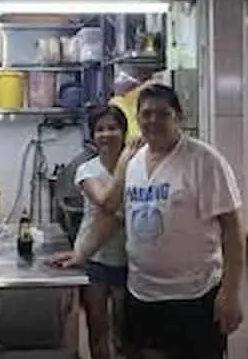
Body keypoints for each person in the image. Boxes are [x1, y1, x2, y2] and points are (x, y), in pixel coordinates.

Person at [61, 84, 245, 359]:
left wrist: (230, 293)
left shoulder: (204, 161)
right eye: (146, 114)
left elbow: (232, 229)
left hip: (194, 296)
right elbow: (115, 217)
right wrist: (80, 253)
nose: (153, 121)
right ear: (137, 119)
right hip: (142, 295)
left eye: (163, 113)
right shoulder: (133, 164)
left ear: (178, 117)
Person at [50, 105, 129, 359]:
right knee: (97, 329)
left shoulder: (141, 166)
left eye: (113, 128)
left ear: (124, 131)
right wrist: (126, 162)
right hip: (95, 259)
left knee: (125, 332)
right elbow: (107, 203)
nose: (106, 134)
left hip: (130, 259)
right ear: (92, 135)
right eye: (100, 129)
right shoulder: (87, 170)